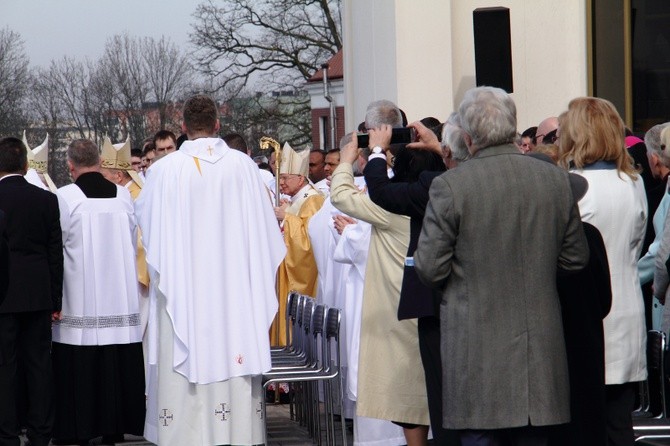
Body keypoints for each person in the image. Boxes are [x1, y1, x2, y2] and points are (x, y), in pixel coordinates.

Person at [414, 86, 589, 446]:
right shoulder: (556, 180)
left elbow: (429, 268)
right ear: (513, 129)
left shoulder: (451, 186)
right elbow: (575, 258)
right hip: (538, 350)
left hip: (475, 350)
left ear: (467, 137)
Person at [136, 94, 285, 446]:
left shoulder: (163, 171)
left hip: (183, 294)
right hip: (234, 296)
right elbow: (267, 237)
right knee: (233, 353)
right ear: (218, 124)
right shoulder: (244, 167)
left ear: (184, 127)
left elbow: (146, 229)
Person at [364, 118, 468, 446]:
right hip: (489, 304)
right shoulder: (501, 176)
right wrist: (442, 146)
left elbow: (380, 191)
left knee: (444, 395)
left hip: (441, 305)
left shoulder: (434, 185)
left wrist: (377, 149)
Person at [558, 96, 647, 446]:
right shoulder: (634, 182)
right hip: (626, 310)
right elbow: (635, 247)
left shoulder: (574, 187)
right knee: (619, 422)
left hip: (585, 317)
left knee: (585, 426)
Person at [51, 139, 145, 446]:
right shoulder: (122, 196)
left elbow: (58, 246)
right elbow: (132, 240)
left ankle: (79, 428)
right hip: (118, 294)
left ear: (70, 165)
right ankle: (113, 428)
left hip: (81, 298)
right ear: (99, 161)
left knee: (80, 362)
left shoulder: (65, 197)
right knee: (115, 363)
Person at [0, 137, 63, 446]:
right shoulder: (46, 200)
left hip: (2, 294)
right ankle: (41, 432)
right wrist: (56, 299)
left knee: (5, 366)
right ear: (25, 166)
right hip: (38, 293)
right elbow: (55, 254)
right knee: (39, 366)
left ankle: (7, 433)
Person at [272, 143, 325, 346]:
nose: (281, 183)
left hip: (299, 276)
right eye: (280, 177)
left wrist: (287, 218)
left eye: (285, 178)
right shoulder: (296, 200)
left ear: (300, 178)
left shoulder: (313, 201)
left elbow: (307, 242)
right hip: (284, 272)